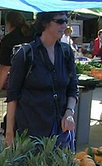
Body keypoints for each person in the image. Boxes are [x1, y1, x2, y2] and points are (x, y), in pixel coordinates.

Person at [6, 11, 78, 149]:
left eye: (66, 21)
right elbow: (12, 96)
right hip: (31, 133)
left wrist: (69, 112)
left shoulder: (66, 52)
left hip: (61, 132)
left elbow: (73, 88)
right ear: (45, 23)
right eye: (60, 21)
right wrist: (9, 133)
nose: (64, 25)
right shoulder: (25, 54)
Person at [0, 11, 34, 94]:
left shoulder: (8, 40)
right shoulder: (32, 34)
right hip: (38, 82)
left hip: (19, 85)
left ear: (8, 23)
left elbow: (5, 67)